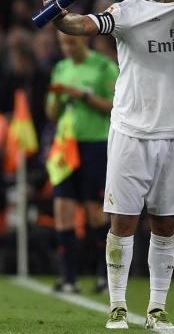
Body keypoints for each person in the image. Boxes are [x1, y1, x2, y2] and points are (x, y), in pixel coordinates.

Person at [38, 0, 174, 330]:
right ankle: (117, 306)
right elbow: (80, 26)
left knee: (166, 223)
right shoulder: (130, 12)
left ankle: (157, 309)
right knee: (123, 220)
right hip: (131, 133)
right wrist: (57, 13)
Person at [46, 32, 118, 293]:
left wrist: (82, 95)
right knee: (62, 209)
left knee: (95, 212)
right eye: (63, 43)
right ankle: (68, 278)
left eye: (71, 42)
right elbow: (51, 113)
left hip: (95, 145)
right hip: (66, 146)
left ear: (83, 39)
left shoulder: (103, 67)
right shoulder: (61, 68)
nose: (67, 47)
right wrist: (57, 98)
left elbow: (117, 106)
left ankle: (105, 276)